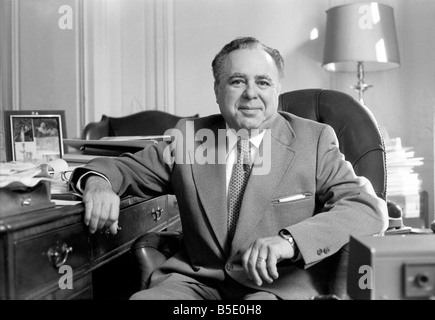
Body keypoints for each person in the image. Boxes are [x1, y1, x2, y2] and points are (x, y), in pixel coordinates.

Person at [69, 37, 388, 300]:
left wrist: (288, 242)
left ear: (277, 89)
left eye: (263, 82)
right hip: (196, 284)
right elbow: (125, 169)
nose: (251, 93)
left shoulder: (314, 140)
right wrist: (98, 182)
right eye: (237, 82)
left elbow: (364, 208)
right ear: (218, 90)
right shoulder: (189, 139)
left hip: (276, 287)